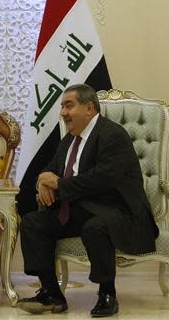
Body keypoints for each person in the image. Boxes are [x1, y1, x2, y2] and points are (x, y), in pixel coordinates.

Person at [18, 84, 159, 317]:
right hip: (81, 208)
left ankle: (107, 295)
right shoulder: (70, 139)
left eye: (69, 105)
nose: (63, 112)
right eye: (62, 106)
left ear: (89, 108)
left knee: (95, 227)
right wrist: (42, 183)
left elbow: (100, 180)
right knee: (33, 223)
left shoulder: (113, 135)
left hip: (118, 210)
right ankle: (51, 293)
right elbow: (50, 170)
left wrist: (58, 184)